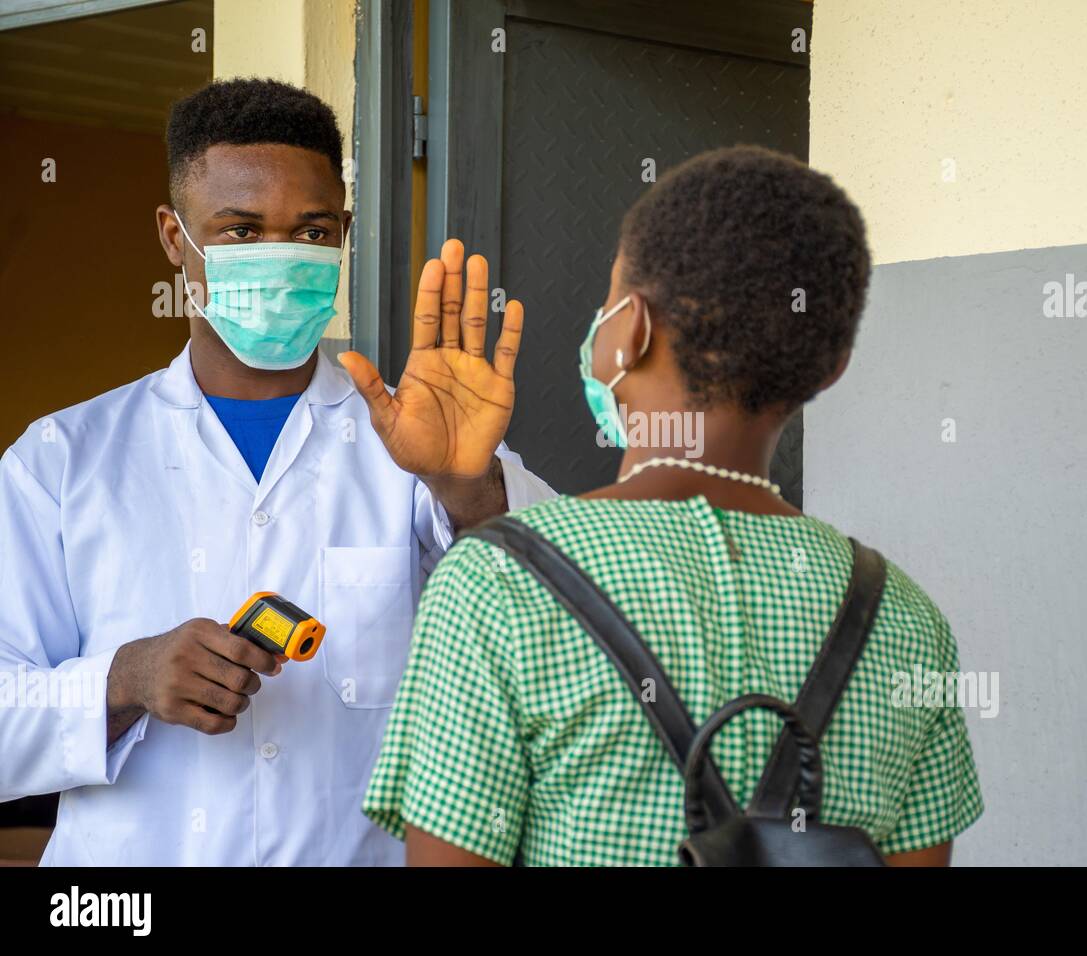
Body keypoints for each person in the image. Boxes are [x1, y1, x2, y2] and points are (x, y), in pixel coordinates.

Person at [363, 145, 984, 866]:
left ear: (629, 331)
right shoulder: (906, 617)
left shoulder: (494, 589)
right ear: (831, 365)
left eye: (608, 301)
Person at [0, 78, 553, 865]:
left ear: (343, 236)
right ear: (173, 236)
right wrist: (126, 678)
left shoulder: (418, 449)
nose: (280, 256)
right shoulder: (61, 460)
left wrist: (469, 488)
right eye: (240, 230)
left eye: (312, 229)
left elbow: (564, 633)